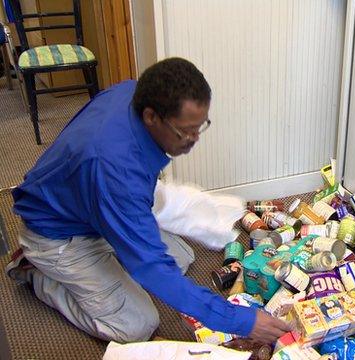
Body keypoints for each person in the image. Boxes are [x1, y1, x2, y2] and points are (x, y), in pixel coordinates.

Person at [5, 57, 290, 344]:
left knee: (181, 258)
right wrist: (241, 321)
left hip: (92, 205)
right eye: (184, 131)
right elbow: (151, 268)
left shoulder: (134, 91)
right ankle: (38, 274)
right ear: (151, 116)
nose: (193, 140)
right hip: (58, 236)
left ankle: (107, 262)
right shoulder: (114, 171)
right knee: (138, 325)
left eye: (200, 127)